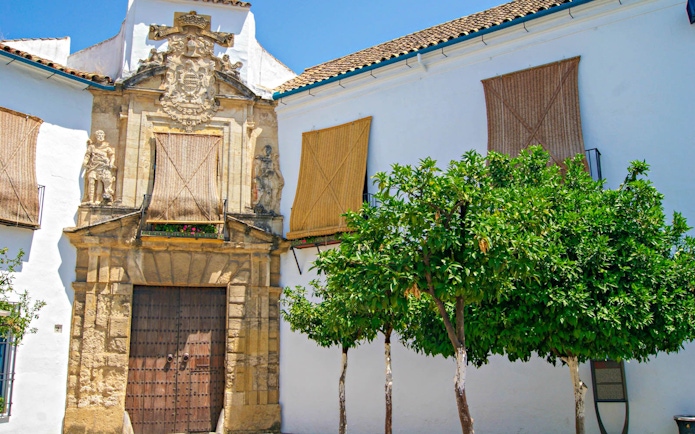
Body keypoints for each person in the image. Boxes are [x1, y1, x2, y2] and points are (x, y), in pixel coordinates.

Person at [82, 130, 116, 205]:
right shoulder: (92, 147)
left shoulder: (107, 147)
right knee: (91, 181)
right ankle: (91, 199)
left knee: (100, 183)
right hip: (93, 166)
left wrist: (111, 163)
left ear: (104, 136)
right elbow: (87, 155)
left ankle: (98, 199)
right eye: (98, 135)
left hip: (103, 167)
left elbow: (112, 155)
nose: (100, 137)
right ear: (96, 137)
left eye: (101, 135)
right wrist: (85, 161)